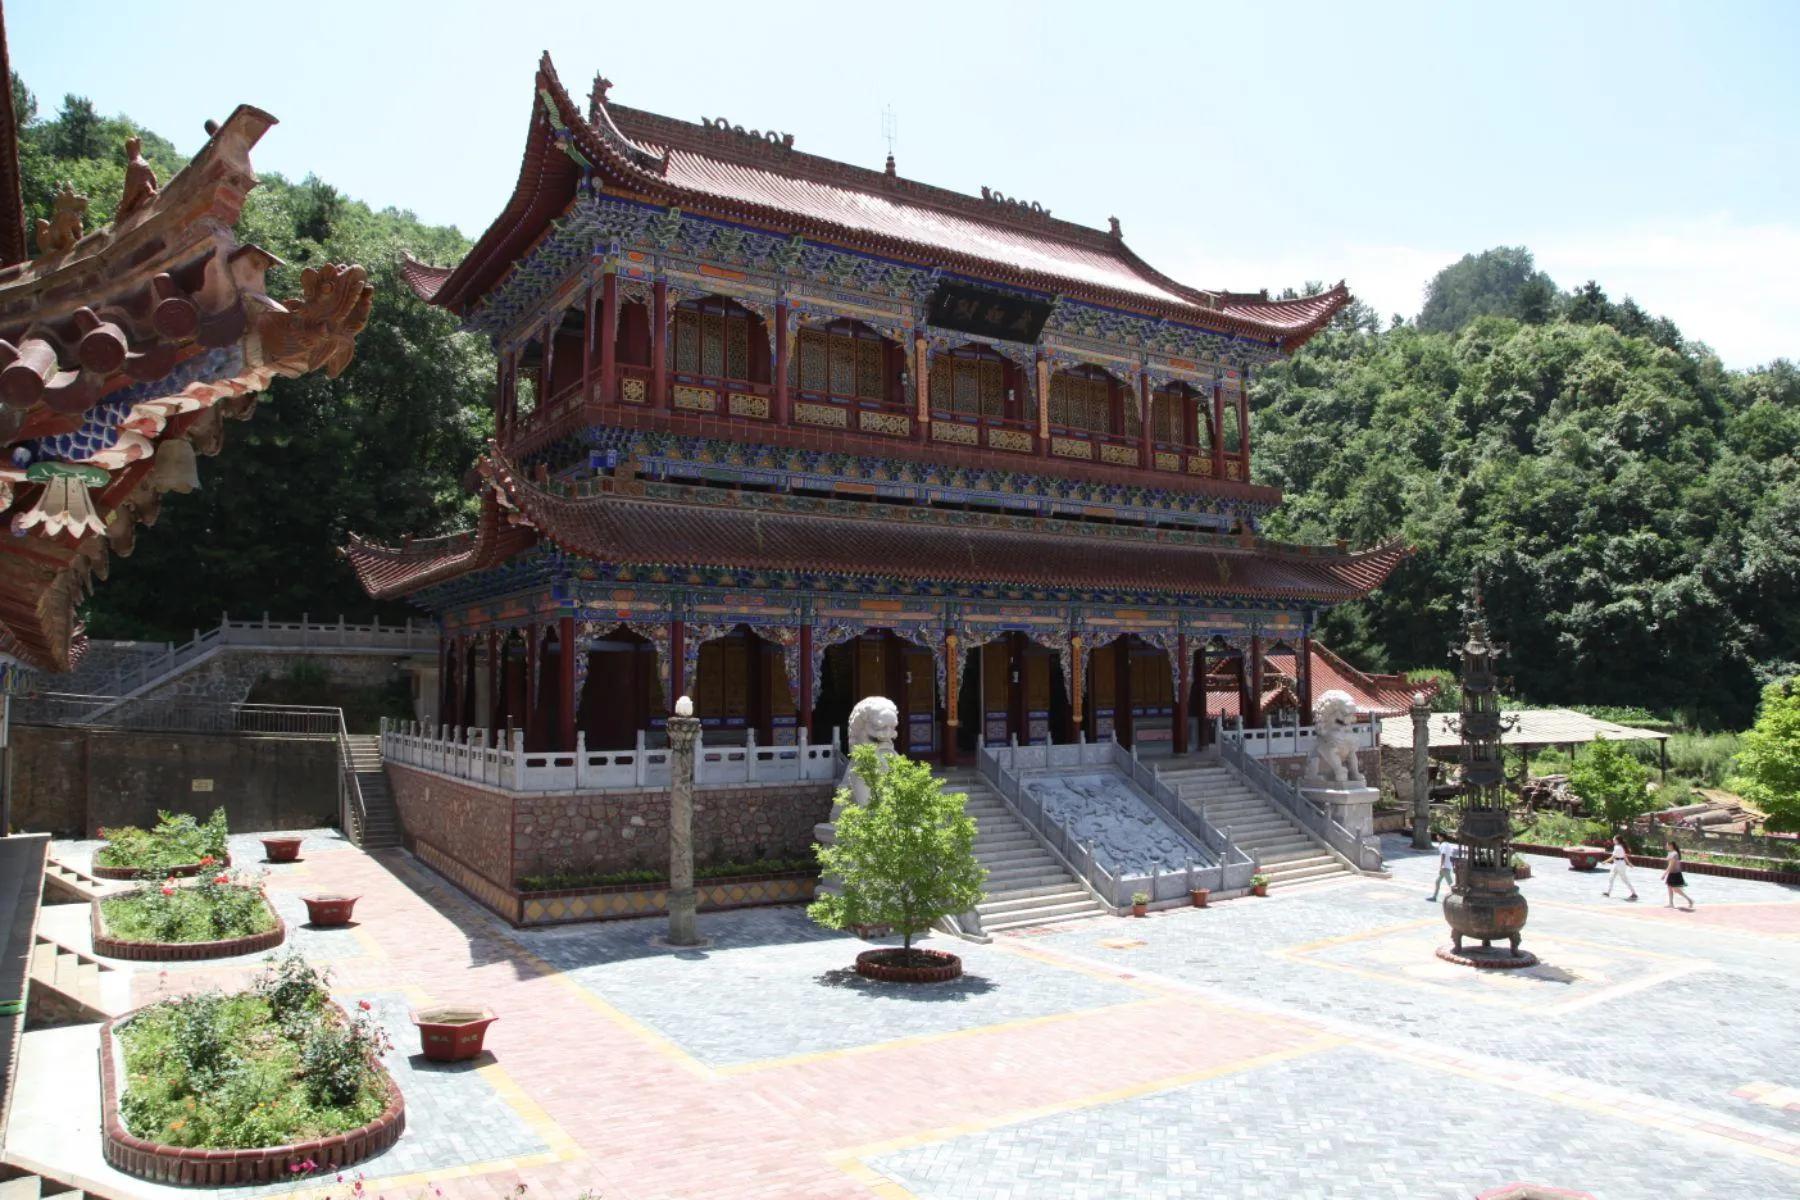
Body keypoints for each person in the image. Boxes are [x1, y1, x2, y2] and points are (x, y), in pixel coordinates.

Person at [1603, 834, 1638, 901]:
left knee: (1624, 879)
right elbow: (1624, 856)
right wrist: (1629, 863)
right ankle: (1608, 892)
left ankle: (1634, 893)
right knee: (1611, 877)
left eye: (1614, 839)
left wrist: (1605, 861)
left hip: (1619, 864)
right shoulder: (1620, 847)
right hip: (1617, 864)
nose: (1613, 840)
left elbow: (1613, 857)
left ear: (1617, 840)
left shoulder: (1617, 847)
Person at [1663, 839, 1695, 910]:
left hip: (1675, 874)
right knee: (1669, 888)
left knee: (1675, 889)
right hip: (1672, 873)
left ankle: (1690, 900)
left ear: (1671, 846)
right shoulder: (1670, 853)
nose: (1666, 846)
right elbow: (1670, 865)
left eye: (1667, 845)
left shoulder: (1674, 854)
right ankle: (1671, 903)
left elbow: (1671, 865)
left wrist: (1664, 874)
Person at [1428, 835, 1458, 901]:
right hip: (1447, 866)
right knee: (1437, 881)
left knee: (1450, 883)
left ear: (1442, 837)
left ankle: (1457, 895)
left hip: (1445, 867)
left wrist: (1441, 866)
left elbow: (1443, 855)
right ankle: (1434, 897)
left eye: (1438, 836)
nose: (1437, 837)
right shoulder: (1447, 844)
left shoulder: (1443, 845)